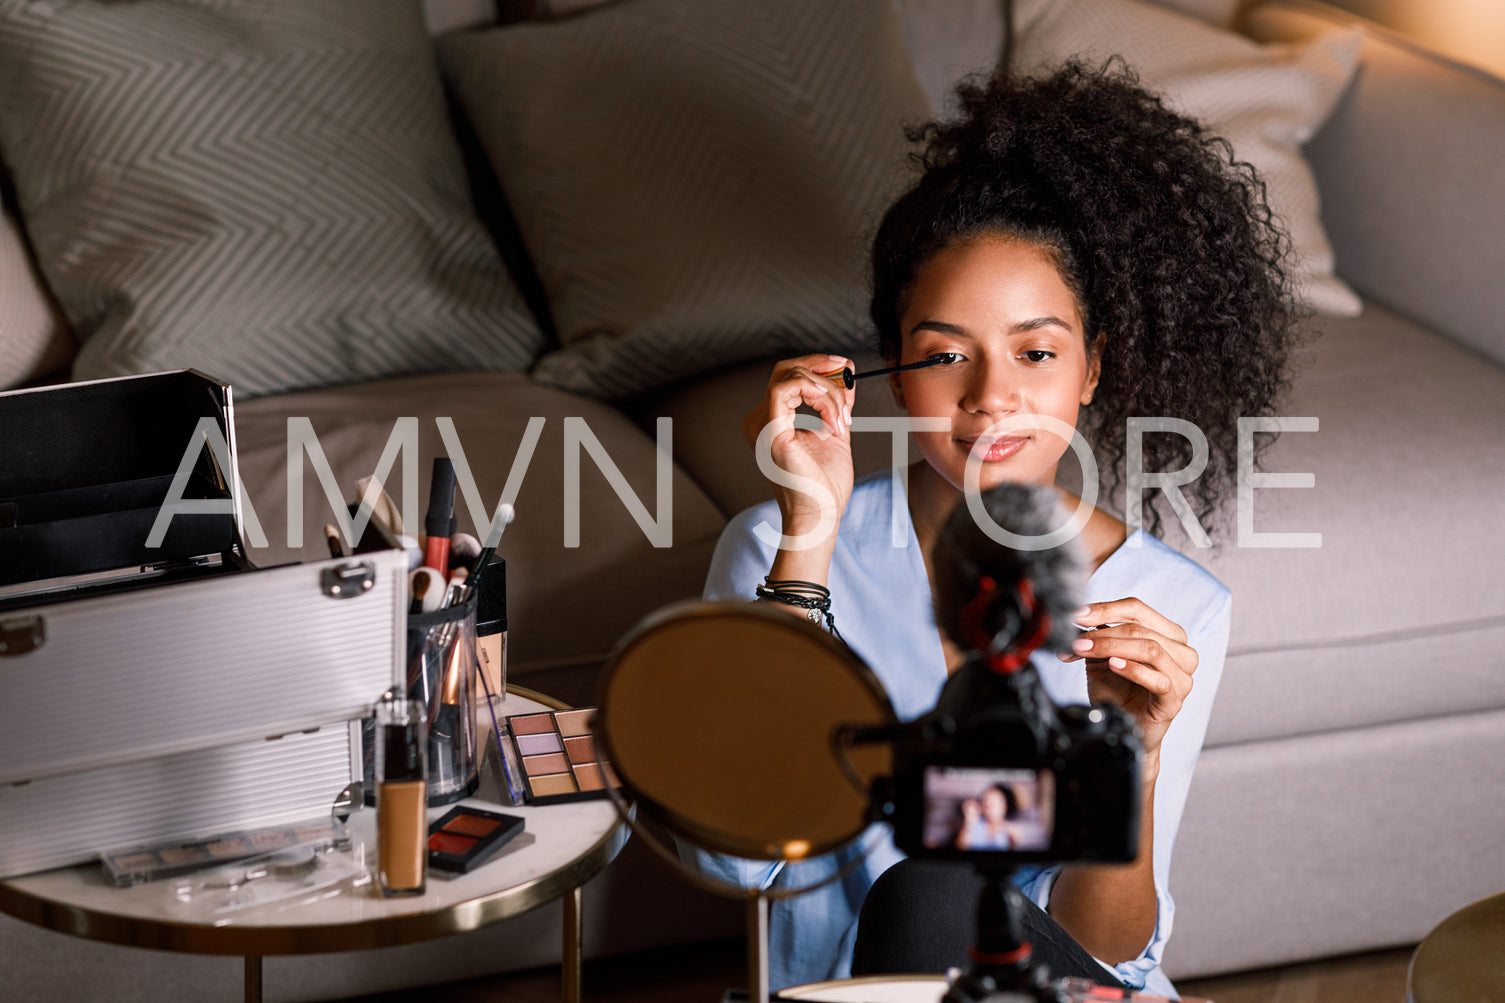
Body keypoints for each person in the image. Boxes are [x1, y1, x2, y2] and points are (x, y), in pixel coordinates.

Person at [696, 60, 1299, 996]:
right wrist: (806, 540)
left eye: (1036, 351)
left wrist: (1126, 765)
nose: (991, 397)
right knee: (926, 899)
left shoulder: (1174, 608)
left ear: (1090, 370)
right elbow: (737, 864)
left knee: (946, 905)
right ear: (888, 367)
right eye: (944, 355)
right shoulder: (778, 552)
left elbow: (1110, 951)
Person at [955, 785, 1020, 851]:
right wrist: (968, 823)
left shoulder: (1011, 831)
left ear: (1004, 806)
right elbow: (960, 847)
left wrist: (1014, 843)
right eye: (985, 800)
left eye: (994, 802)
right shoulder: (973, 824)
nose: (988, 804)